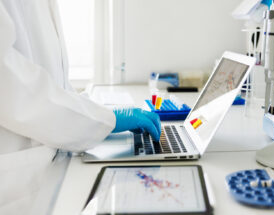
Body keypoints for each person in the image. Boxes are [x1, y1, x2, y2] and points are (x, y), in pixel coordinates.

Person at [0, 0, 161, 213]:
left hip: (47, 161)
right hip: (18, 178)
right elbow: (11, 86)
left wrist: (97, 116)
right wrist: (104, 120)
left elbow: (53, 81)